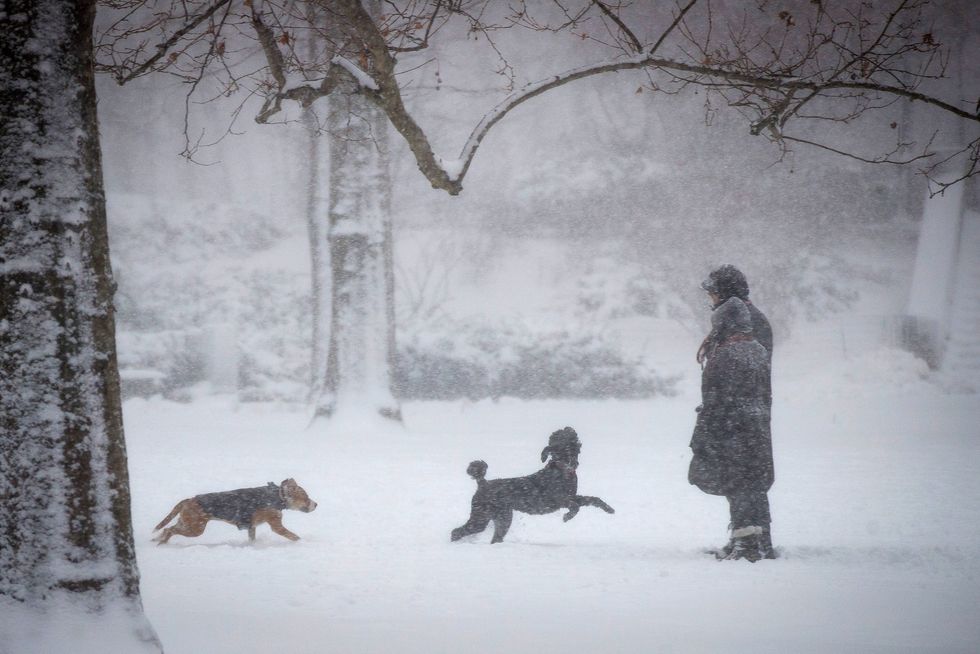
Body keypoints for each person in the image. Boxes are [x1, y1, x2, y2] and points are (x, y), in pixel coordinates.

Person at [689, 265, 775, 561]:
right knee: (746, 480)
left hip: (740, 418)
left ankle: (750, 543)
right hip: (744, 415)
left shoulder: (747, 324)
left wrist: (720, 416)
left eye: (712, 292)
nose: (709, 298)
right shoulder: (741, 320)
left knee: (745, 479)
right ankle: (752, 540)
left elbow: (744, 376)